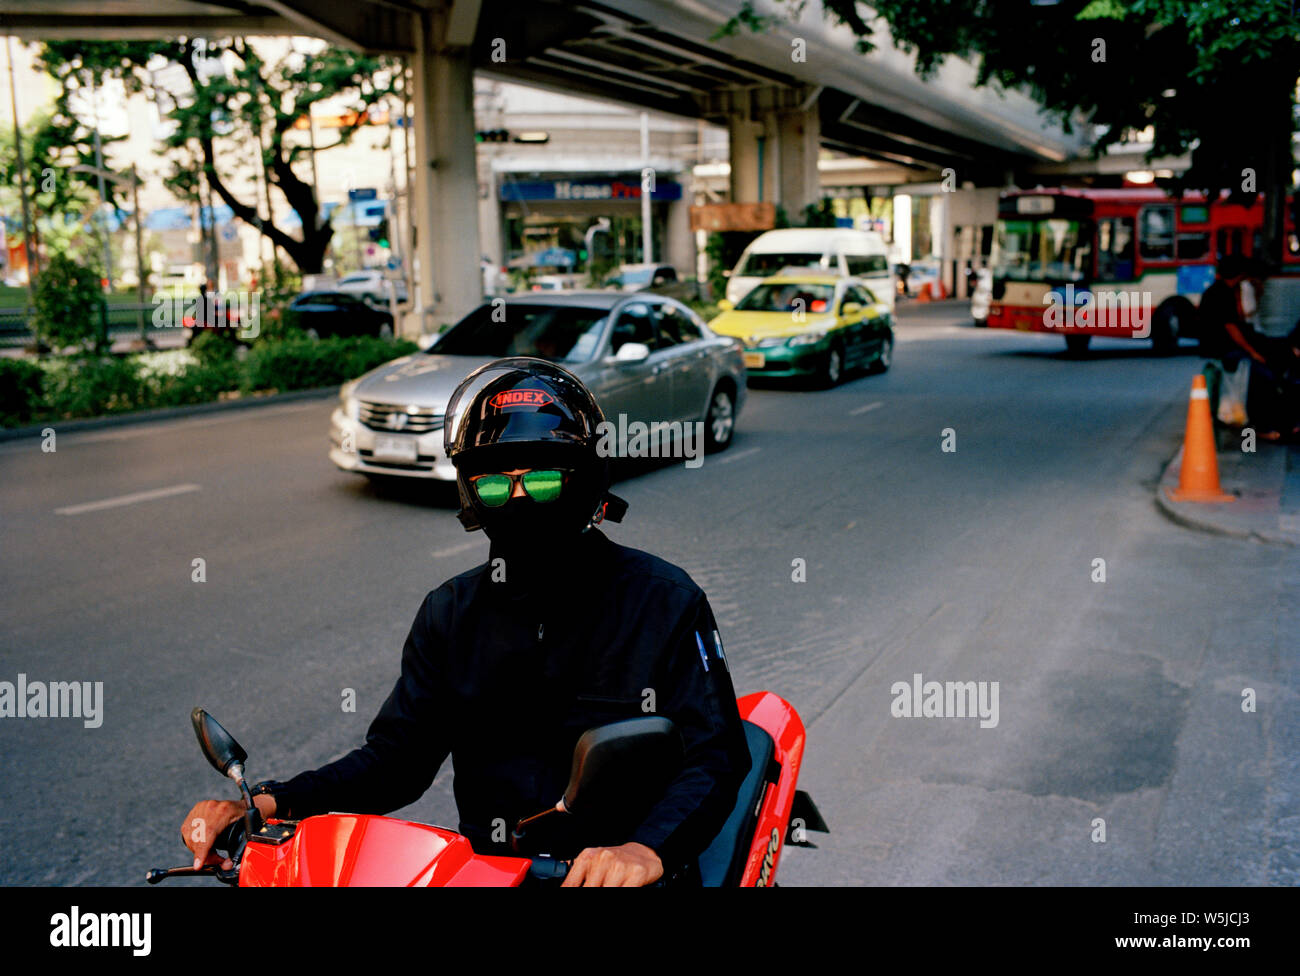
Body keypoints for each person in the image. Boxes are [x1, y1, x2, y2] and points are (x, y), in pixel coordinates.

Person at [181, 358, 752, 886]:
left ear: (586, 482)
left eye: (546, 481)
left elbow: (716, 755)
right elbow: (397, 760)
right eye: (496, 484)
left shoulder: (665, 601)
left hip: (627, 876)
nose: (520, 499)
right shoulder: (450, 613)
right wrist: (270, 802)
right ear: (472, 497)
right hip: (491, 875)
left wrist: (645, 851)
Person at [1199, 255, 1300, 439]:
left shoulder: (1224, 291)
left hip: (1232, 346)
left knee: (1278, 359)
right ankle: (1264, 425)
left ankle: (1286, 420)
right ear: (1238, 275)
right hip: (1224, 349)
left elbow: (1241, 319)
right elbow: (1232, 329)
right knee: (1262, 375)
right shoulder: (1220, 294)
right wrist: (1253, 353)